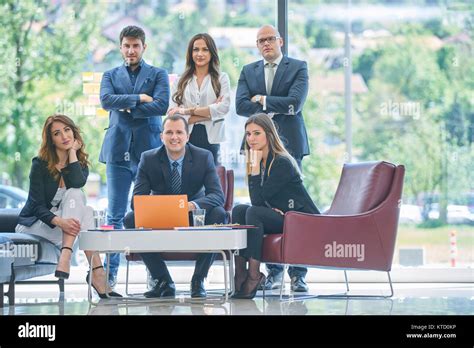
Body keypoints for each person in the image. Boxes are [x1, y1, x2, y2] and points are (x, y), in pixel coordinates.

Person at [235, 24, 311, 291]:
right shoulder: (248, 71)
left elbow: (295, 104)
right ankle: (273, 271)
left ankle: (298, 274)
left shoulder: (298, 66)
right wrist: (275, 104)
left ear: (280, 41)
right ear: (257, 45)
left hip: (289, 145)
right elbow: (241, 107)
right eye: (260, 41)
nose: (266, 44)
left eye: (270, 39)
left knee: (292, 206)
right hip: (255, 146)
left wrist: (263, 100)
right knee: (259, 202)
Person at [16, 115, 121, 299]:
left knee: (78, 197)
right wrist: (60, 221)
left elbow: (77, 183)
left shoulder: (78, 165)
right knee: (86, 211)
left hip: (63, 230)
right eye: (57, 133)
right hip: (35, 226)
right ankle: (97, 272)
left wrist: (72, 153)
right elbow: (35, 206)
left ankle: (68, 256)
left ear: (73, 132)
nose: (64, 136)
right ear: (51, 140)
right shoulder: (39, 164)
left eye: (67, 130)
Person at [123, 115, 226, 298]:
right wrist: (163, 207)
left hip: (193, 215)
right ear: (162, 136)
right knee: (130, 218)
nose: (174, 137)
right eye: (169, 132)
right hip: (162, 216)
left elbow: (217, 196)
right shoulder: (149, 158)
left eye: (179, 132)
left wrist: (191, 205)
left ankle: (198, 279)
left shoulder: (204, 156)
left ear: (187, 136)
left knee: (219, 214)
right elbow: (136, 201)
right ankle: (163, 280)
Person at [99, 25, 170, 288]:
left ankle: (155, 275)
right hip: (117, 152)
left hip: (149, 153)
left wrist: (127, 106)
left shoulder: (158, 74)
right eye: (126, 45)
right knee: (115, 216)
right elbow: (106, 101)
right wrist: (139, 98)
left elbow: (162, 105)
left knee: (148, 216)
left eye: (136, 45)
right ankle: (110, 274)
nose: (131, 50)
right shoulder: (109, 74)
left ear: (144, 47)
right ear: (120, 47)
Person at [232, 114, 319, 299]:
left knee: (253, 211)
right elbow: (261, 200)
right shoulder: (259, 160)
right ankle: (240, 271)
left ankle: (254, 275)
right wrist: (271, 208)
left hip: (301, 220)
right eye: (248, 134)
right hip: (284, 216)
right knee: (239, 209)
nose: (251, 139)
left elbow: (257, 202)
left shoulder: (281, 162)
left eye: (257, 133)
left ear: (269, 134)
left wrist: (254, 169)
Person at [167, 33, 230, 165]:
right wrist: (211, 113)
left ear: (212, 52)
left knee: (212, 183)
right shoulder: (180, 81)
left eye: (205, 49)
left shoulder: (221, 78)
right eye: (196, 49)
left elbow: (224, 108)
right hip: (185, 139)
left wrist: (186, 111)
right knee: (187, 183)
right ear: (190, 53)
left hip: (212, 140)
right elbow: (173, 115)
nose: (200, 54)